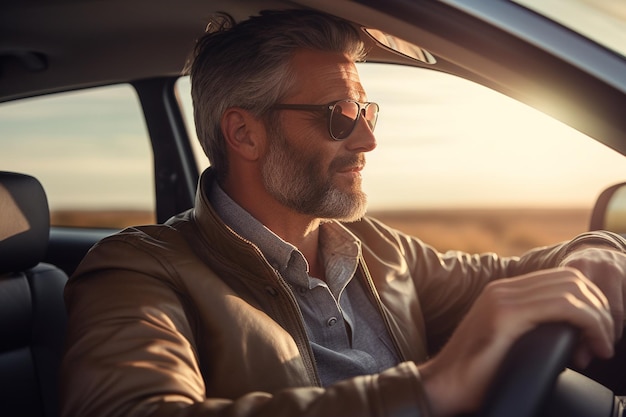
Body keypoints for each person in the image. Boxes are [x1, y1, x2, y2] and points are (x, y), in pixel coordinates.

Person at [60, 9, 626, 417]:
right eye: (338, 116)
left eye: (367, 114)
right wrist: (431, 387)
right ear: (244, 133)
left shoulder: (379, 249)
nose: (367, 142)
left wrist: (596, 247)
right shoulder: (137, 270)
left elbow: (509, 282)